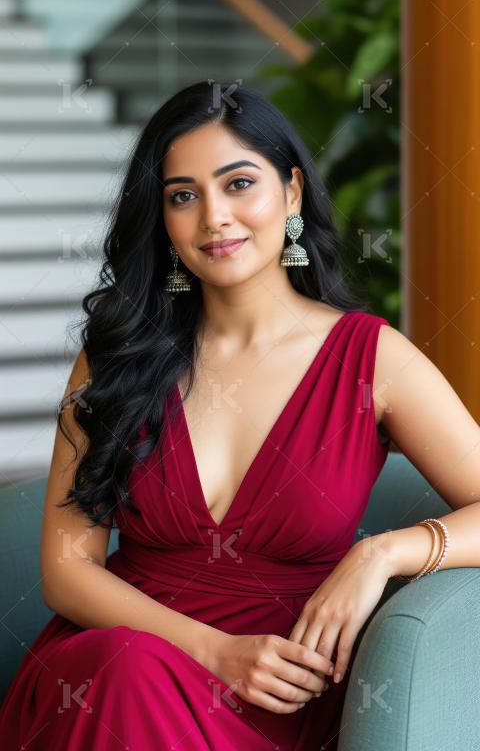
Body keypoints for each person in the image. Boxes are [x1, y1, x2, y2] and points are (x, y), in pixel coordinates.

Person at [1, 81, 479, 750]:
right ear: (162, 219)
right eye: (183, 196)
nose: (214, 217)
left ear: (291, 193)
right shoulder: (115, 356)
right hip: (115, 671)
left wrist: (384, 552)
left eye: (239, 184)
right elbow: (66, 568)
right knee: (124, 668)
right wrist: (214, 650)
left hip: (281, 695)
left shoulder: (372, 358)